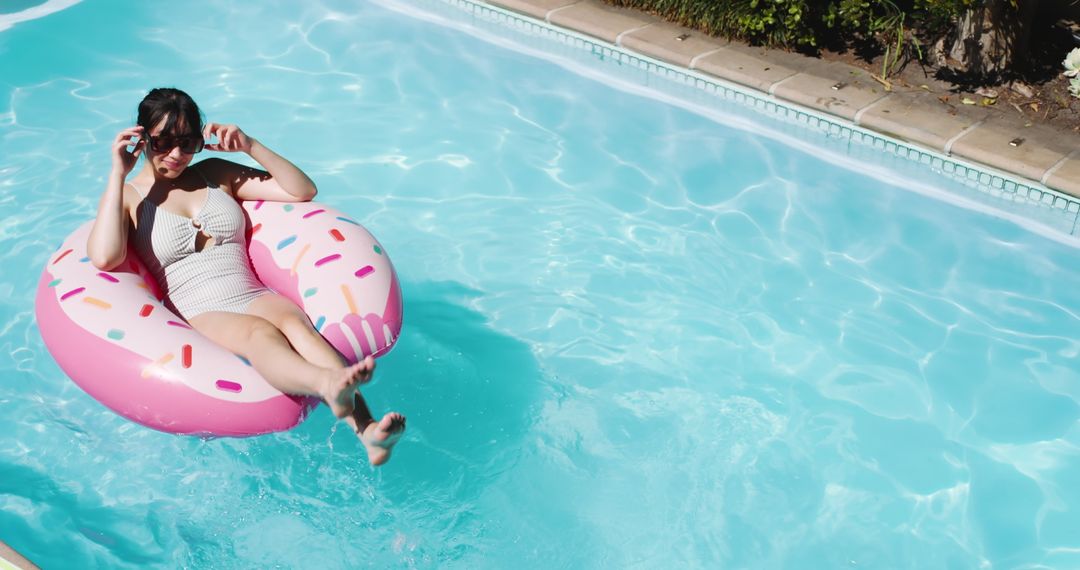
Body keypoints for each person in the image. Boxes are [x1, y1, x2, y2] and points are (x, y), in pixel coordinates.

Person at [87, 87, 405, 465]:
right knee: (259, 334)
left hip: (251, 291)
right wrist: (117, 172)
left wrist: (250, 145)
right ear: (142, 138)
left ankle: (368, 432)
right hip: (200, 308)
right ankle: (327, 384)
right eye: (164, 141)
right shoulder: (128, 195)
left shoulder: (213, 173)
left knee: (296, 324)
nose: (176, 154)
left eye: (188, 143)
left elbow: (302, 190)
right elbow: (105, 257)